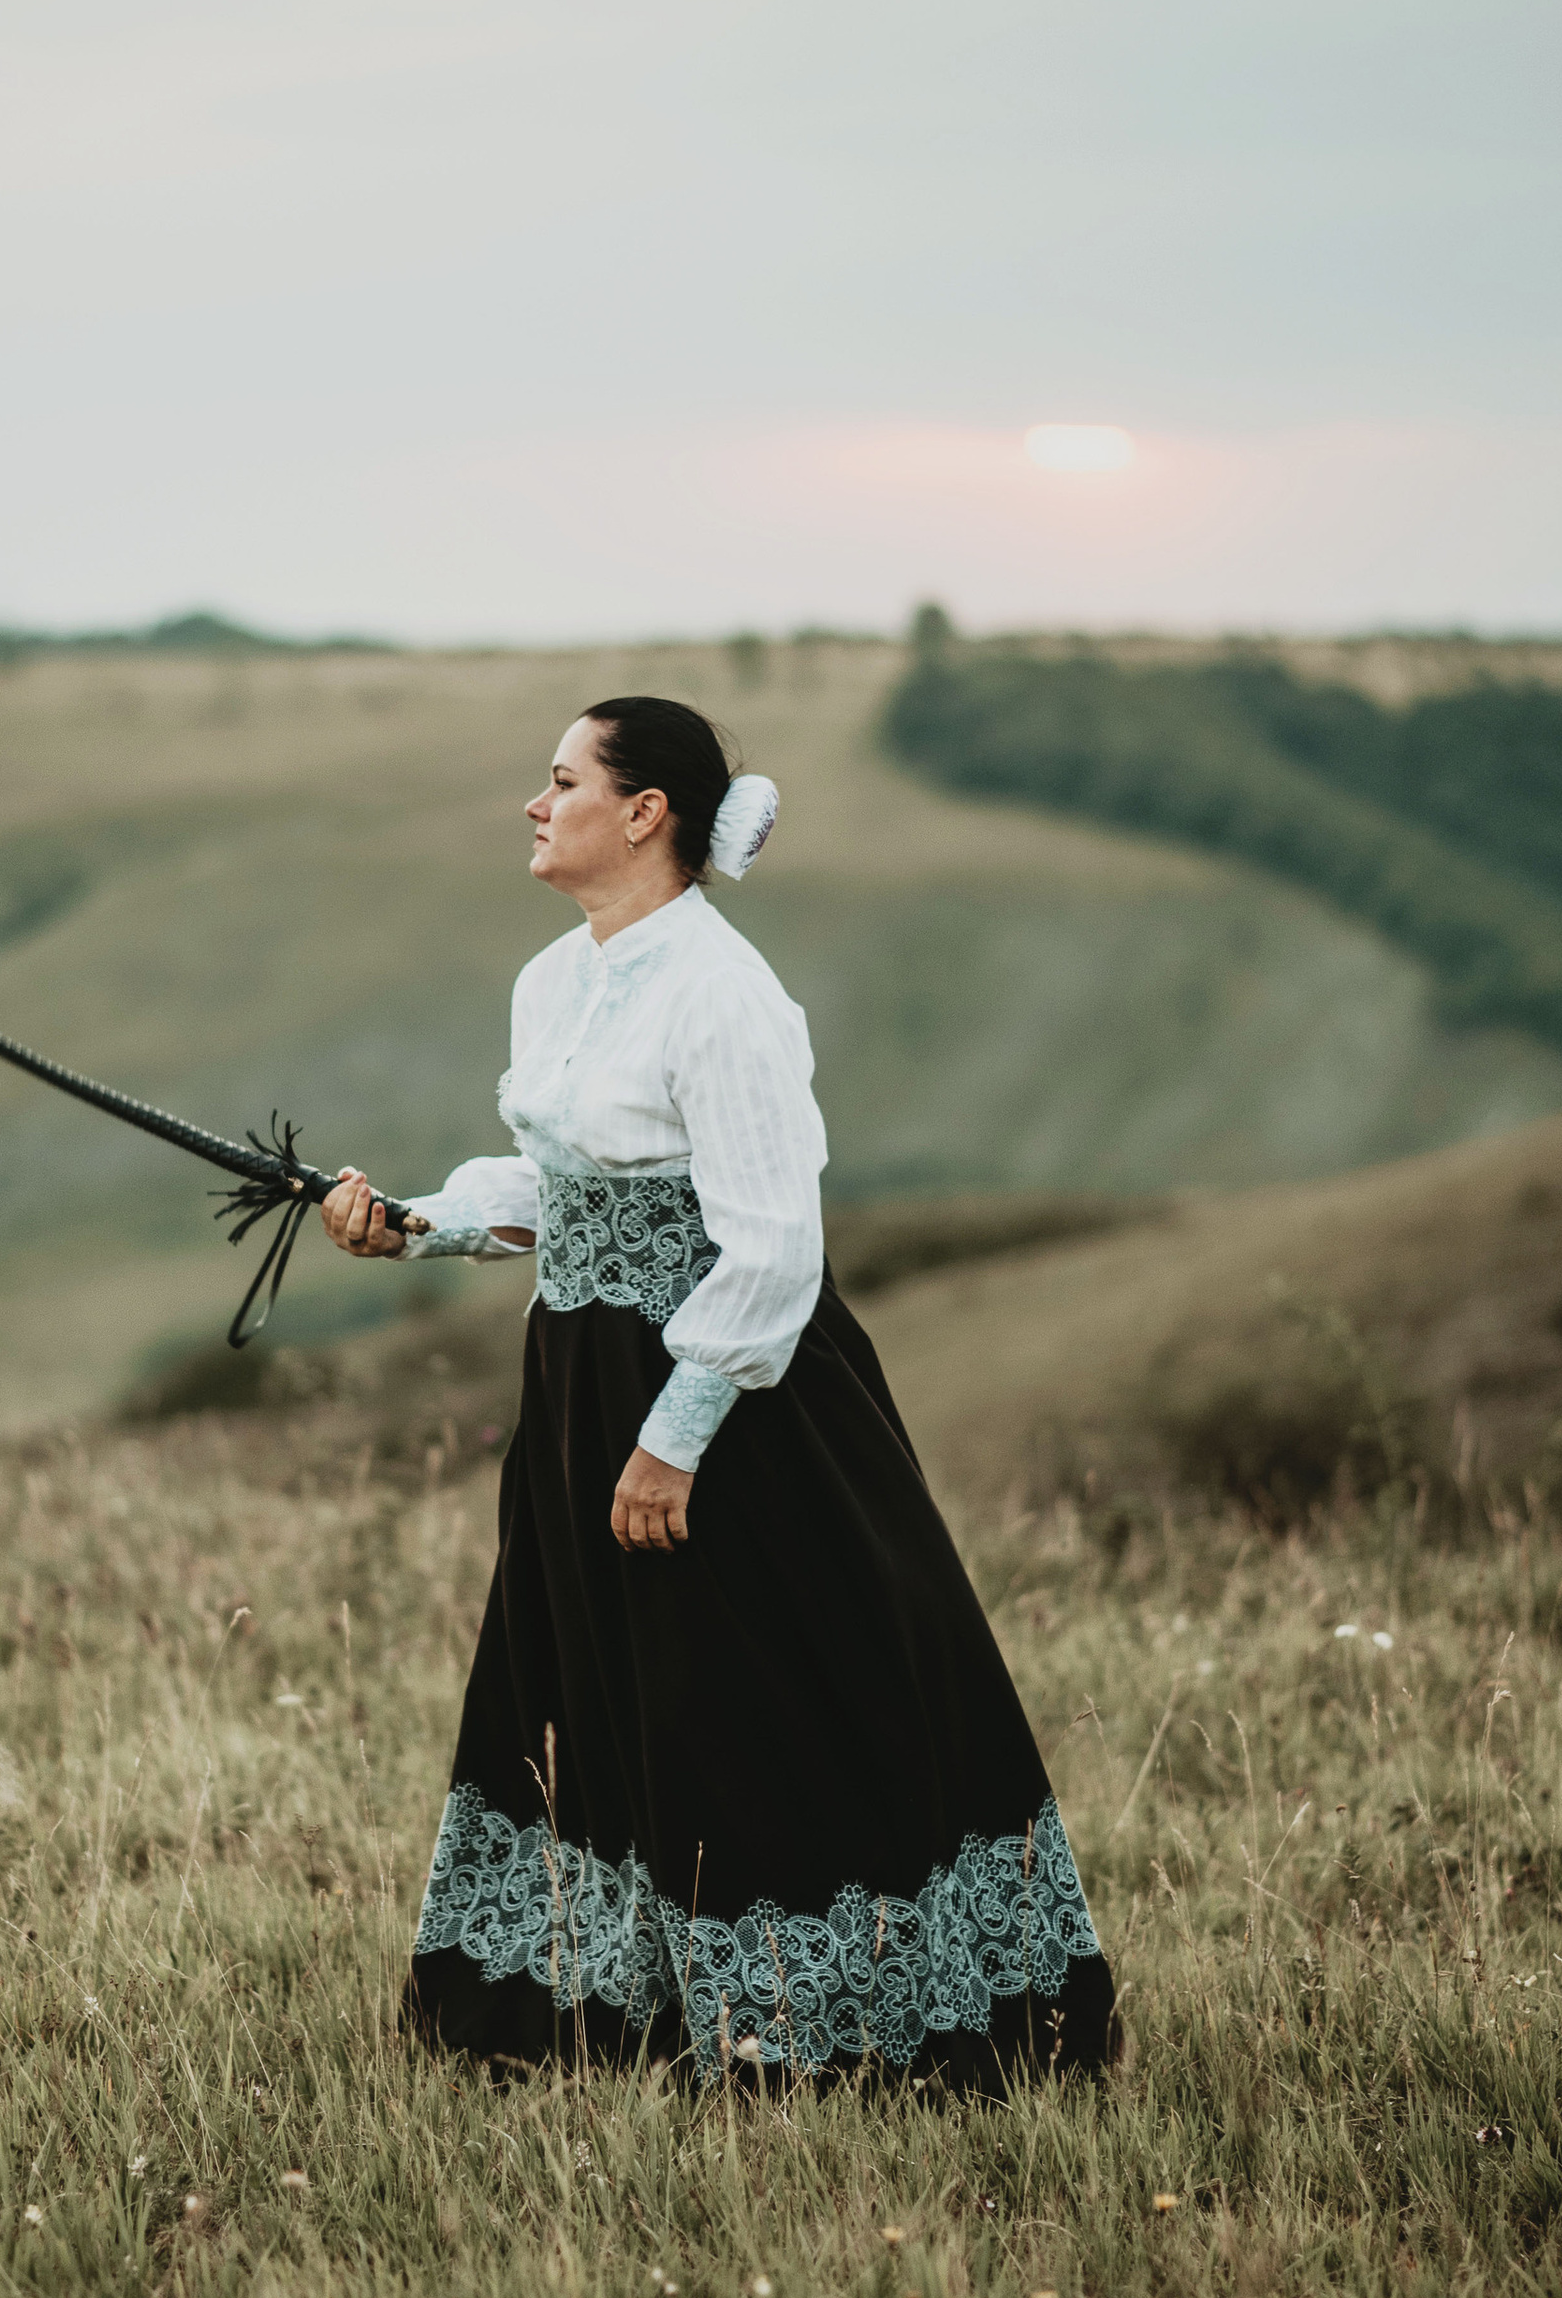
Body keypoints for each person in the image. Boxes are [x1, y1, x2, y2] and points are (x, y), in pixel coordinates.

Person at [322, 694, 1116, 2088]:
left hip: (740, 1405)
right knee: (601, 1691)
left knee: (754, 1698)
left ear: (643, 814)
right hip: (579, 1374)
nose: (533, 800)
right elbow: (564, 1186)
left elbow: (772, 1247)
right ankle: (600, 2017)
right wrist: (419, 1218)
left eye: (560, 778)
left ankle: (819, 2033)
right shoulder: (550, 982)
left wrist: (673, 1440)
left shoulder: (728, 995)